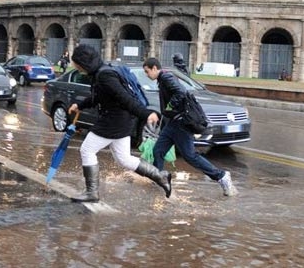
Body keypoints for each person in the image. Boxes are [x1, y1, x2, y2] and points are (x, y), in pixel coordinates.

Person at [67, 44, 172, 203]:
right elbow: (98, 97)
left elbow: (124, 98)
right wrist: (79, 105)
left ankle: (92, 192)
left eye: (76, 63)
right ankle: (161, 176)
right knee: (123, 158)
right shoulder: (101, 72)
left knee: (87, 150)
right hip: (122, 121)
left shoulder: (104, 76)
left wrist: (145, 113)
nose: (74, 66)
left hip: (114, 121)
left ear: (83, 63)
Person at [142, 57, 237, 196]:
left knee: (190, 156)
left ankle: (221, 176)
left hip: (180, 123)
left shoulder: (166, 77)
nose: (146, 75)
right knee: (158, 151)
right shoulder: (163, 79)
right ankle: (158, 179)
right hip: (172, 124)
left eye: (147, 71)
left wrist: (170, 106)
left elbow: (180, 92)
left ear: (155, 68)